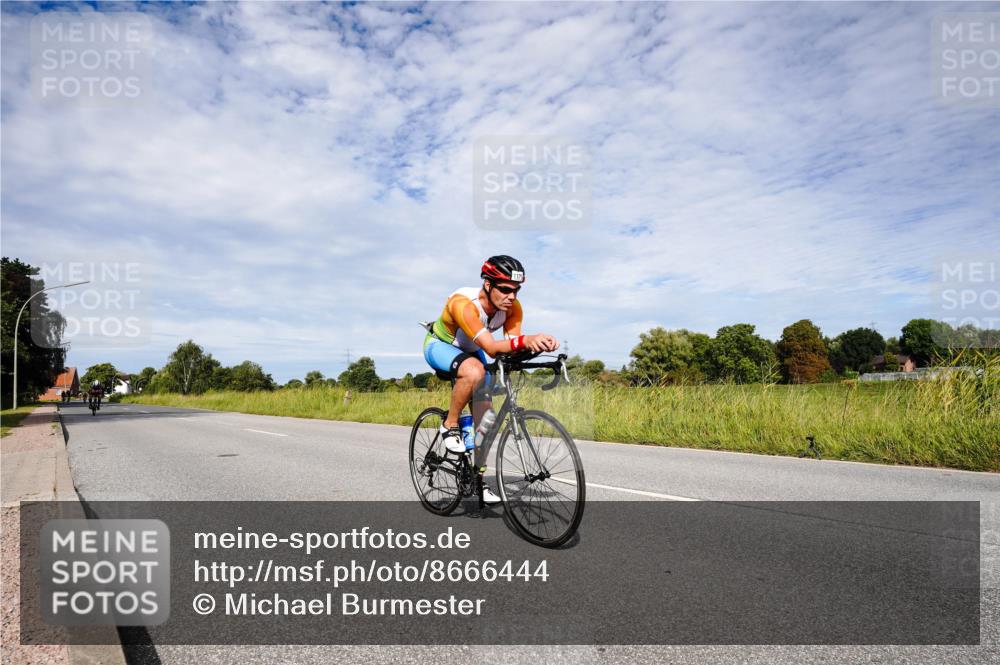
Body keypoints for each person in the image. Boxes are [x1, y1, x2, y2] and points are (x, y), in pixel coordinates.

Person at [422, 255, 559, 504]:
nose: (512, 297)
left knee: (486, 420)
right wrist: (525, 340)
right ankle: (450, 424)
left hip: (471, 351)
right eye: (505, 290)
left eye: (516, 290)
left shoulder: (512, 308)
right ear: (488, 284)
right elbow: (493, 347)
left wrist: (537, 347)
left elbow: (511, 347)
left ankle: (477, 480)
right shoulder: (463, 304)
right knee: (474, 371)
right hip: (440, 346)